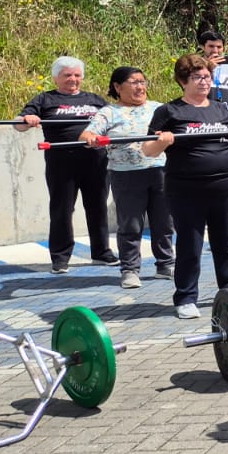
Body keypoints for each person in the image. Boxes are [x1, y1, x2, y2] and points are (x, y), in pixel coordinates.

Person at [142, 55, 228, 318]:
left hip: (224, 187)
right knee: (190, 246)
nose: (204, 82)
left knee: (224, 243)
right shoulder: (169, 112)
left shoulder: (222, 109)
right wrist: (164, 142)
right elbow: (148, 149)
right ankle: (185, 298)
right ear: (183, 81)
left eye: (207, 76)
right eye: (197, 77)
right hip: (186, 190)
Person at [19, 57, 114, 273]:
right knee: (62, 209)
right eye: (67, 75)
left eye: (77, 75)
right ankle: (60, 258)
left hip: (96, 162)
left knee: (98, 207)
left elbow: (114, 121)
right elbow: (19, 125)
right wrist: (28, 119)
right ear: (56, 78)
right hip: (62, 164)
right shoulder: (45, 99)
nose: (73, 79)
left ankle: (101, 252)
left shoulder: (95, 100)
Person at [80, 66, 173, 288]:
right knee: (130, 225)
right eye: (134, 82)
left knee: (164, 222)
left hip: (160, 171)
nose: (140, 87)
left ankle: (166, 263)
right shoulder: (109, 112)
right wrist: (91, 138)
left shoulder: (159, 108)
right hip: (126, 176)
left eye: (143, 81)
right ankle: (130, 269)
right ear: (118, 87)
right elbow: (87, 133)